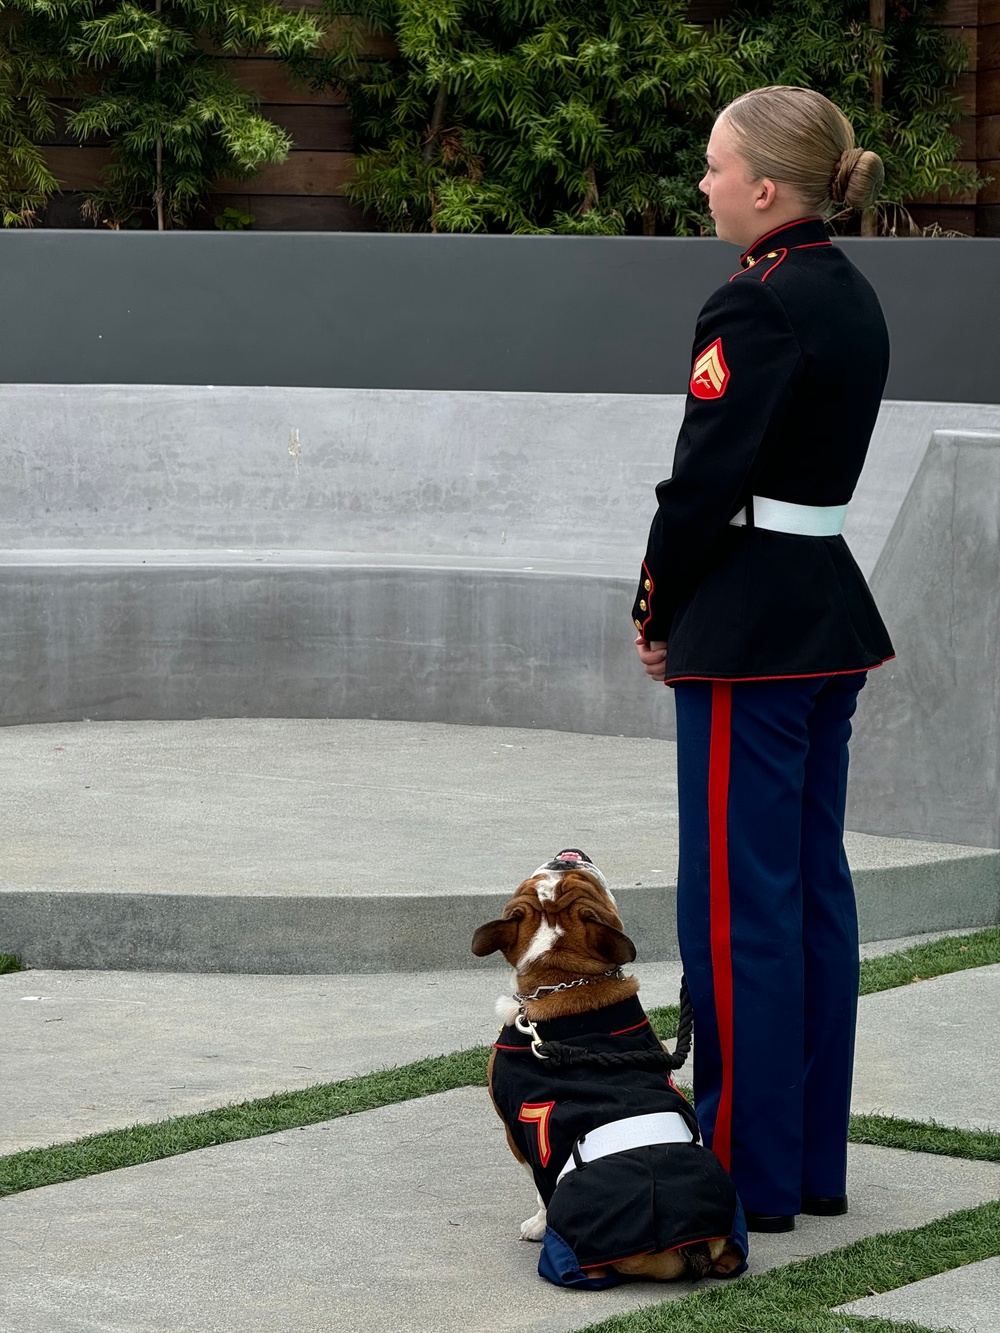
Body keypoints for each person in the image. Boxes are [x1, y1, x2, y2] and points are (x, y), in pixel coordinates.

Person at [632, 85, 894, 1233]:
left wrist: (657, 604)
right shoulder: (848, 291)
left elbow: (701, 486)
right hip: (821, 614)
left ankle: (742, 1168)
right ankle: (807, 1161)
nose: (703, 184)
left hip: (751, 630)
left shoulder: (757, 304)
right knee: (811, 898)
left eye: (713, 166)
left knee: (741, 910)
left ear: (766, 187)